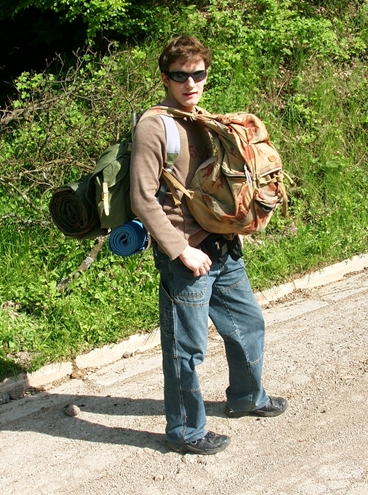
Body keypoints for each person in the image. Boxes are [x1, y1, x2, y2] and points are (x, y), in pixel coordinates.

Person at [130, 35, 288, 455]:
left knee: (248, 324)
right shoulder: (154, 126)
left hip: (222, 246)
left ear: (205, 75)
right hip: (187, 254)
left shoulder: (200, 117)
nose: (190, 83)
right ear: (165, 79)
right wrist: (180, 251)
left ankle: (246, 397)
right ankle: (186, 431)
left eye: (197, 75)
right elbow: (142, 198)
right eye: (180, 76)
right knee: (186, 349)